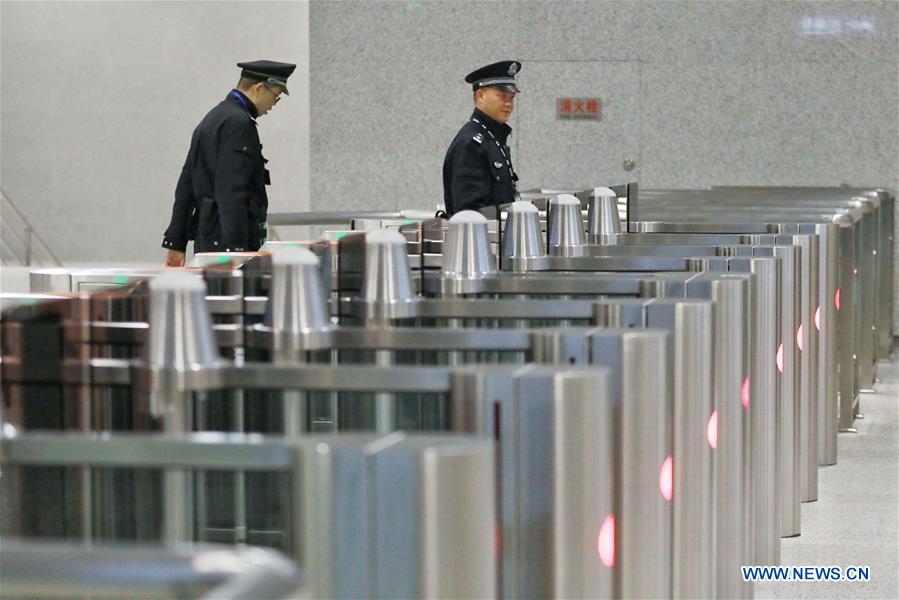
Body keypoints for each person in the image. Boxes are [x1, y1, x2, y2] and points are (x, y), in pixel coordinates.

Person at [162, 60, 296, 266]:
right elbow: (232, 190)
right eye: (275, 97)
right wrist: (238, 252)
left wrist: (176, 242)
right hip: (228, 245)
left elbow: (186, 184)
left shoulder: (213, 118)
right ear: (259, 89)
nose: (273, 105)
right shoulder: (239, 124)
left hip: (209, 241)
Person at [442, 60, 521, 216]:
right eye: (502, 96)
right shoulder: (471, 144)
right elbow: (469, 212)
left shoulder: (493, 138)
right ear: (481, 95)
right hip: (479, 238)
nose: (508, 104)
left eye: (511, 97)